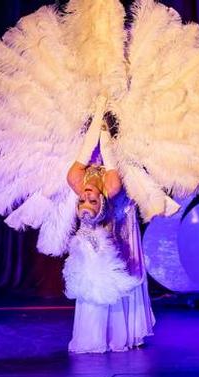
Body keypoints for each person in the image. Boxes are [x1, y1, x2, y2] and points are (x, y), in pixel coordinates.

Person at [63, 96, 155, 353]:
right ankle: (119, 332)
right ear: (101, 201)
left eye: (83, 200)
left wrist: (97, 111)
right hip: (121, 216)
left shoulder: (76, 180)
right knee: (119, 268)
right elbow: (107, 150)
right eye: (91, 200)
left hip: (106, 226)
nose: (86, 195)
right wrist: (103, 118)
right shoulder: (111, 186)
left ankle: (103, 333)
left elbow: (85, 150)